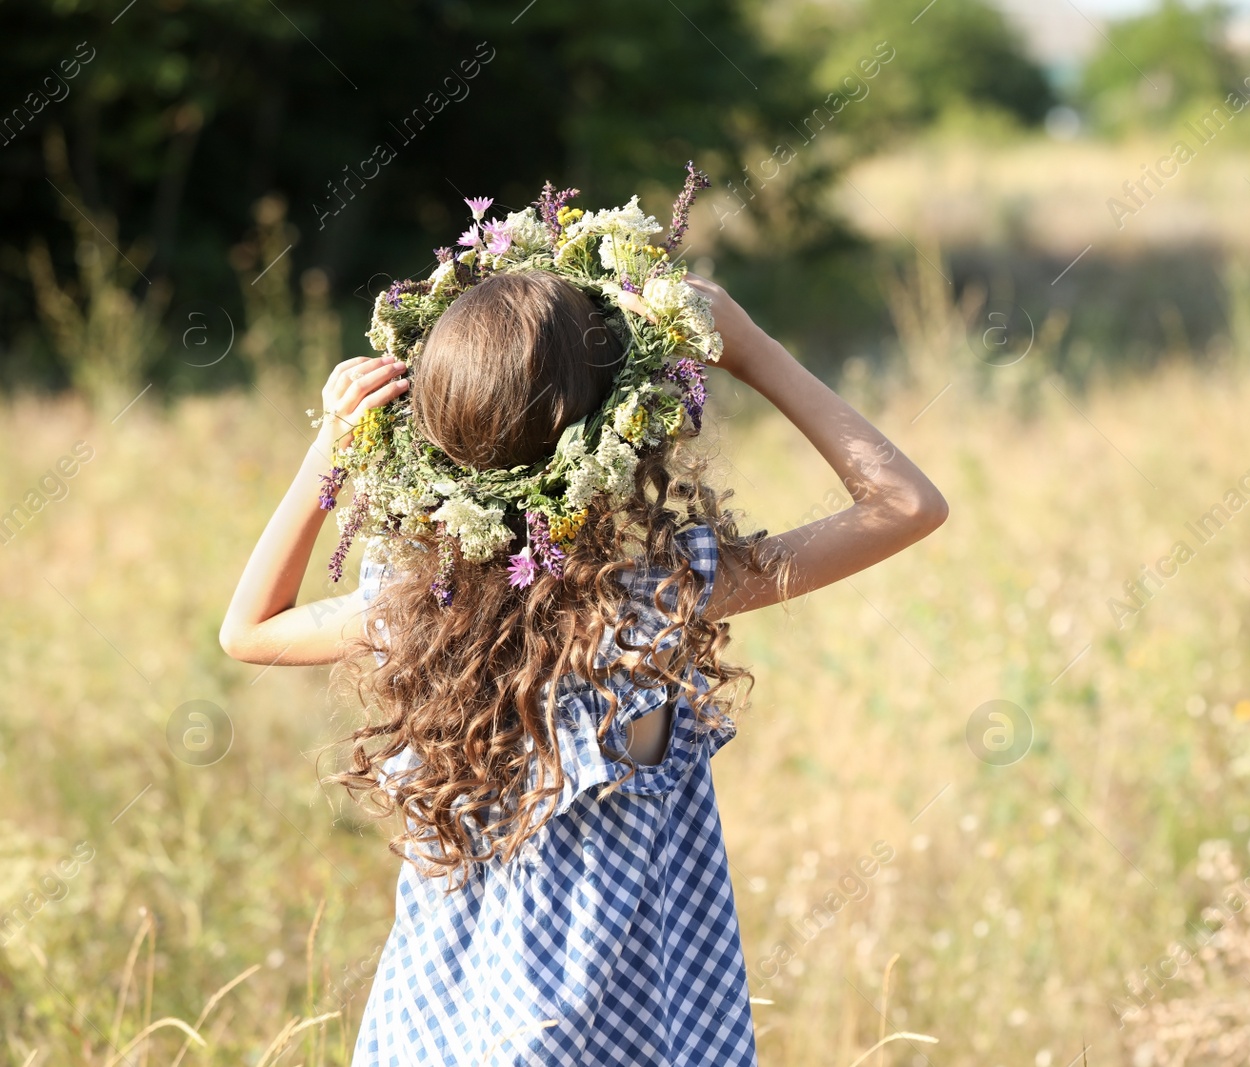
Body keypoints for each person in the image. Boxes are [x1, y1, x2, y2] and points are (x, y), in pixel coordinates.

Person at [219, 265, 946, 1065]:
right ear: (621, 435)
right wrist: (749, 350)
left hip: (430, 1034)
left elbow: (249, 628)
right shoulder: (650, 606)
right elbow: (905, 504)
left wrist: (333, 448)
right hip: (604, 1036)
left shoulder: (421, 609)